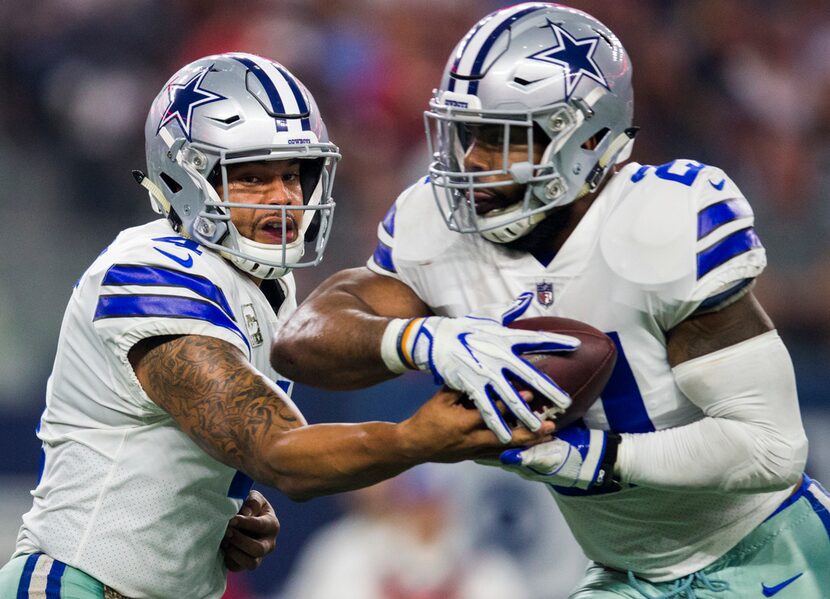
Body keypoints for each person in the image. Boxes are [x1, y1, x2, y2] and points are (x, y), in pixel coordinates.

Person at [270, 5, 830, 597]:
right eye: (465, 134)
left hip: (770, 553)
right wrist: (422, 338)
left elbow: (771, 450)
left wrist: (592, 458)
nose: (470, 162)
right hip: (625, 574)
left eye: (499, 138)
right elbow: (304, 340)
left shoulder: (659, 222)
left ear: (585, 137)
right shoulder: (435, 224)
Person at [0, 52, 554, 599]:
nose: (285, 197)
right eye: (252, 177)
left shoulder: (262, 285)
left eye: (293, 174)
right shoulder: (150, 270)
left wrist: (217, 508)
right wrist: (418, 438)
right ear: (184, 177)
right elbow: (277, 452)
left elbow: (199, 446)